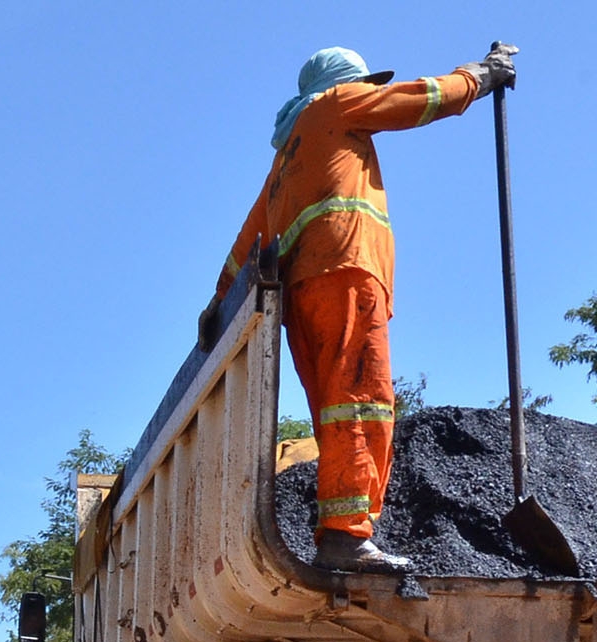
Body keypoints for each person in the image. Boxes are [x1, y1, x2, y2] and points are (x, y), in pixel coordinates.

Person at [220, 41, 519, 573]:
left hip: (305, 296)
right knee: (363, 403)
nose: (370, 92)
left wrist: (218, 304)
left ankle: (339, 530)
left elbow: (250, 239)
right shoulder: (333, 104)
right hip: (347, 272)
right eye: (364, 83)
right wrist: (481, 75)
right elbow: (419, 99)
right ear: (340, 83)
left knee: (336, 415)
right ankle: (345, 536)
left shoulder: (287, 157)